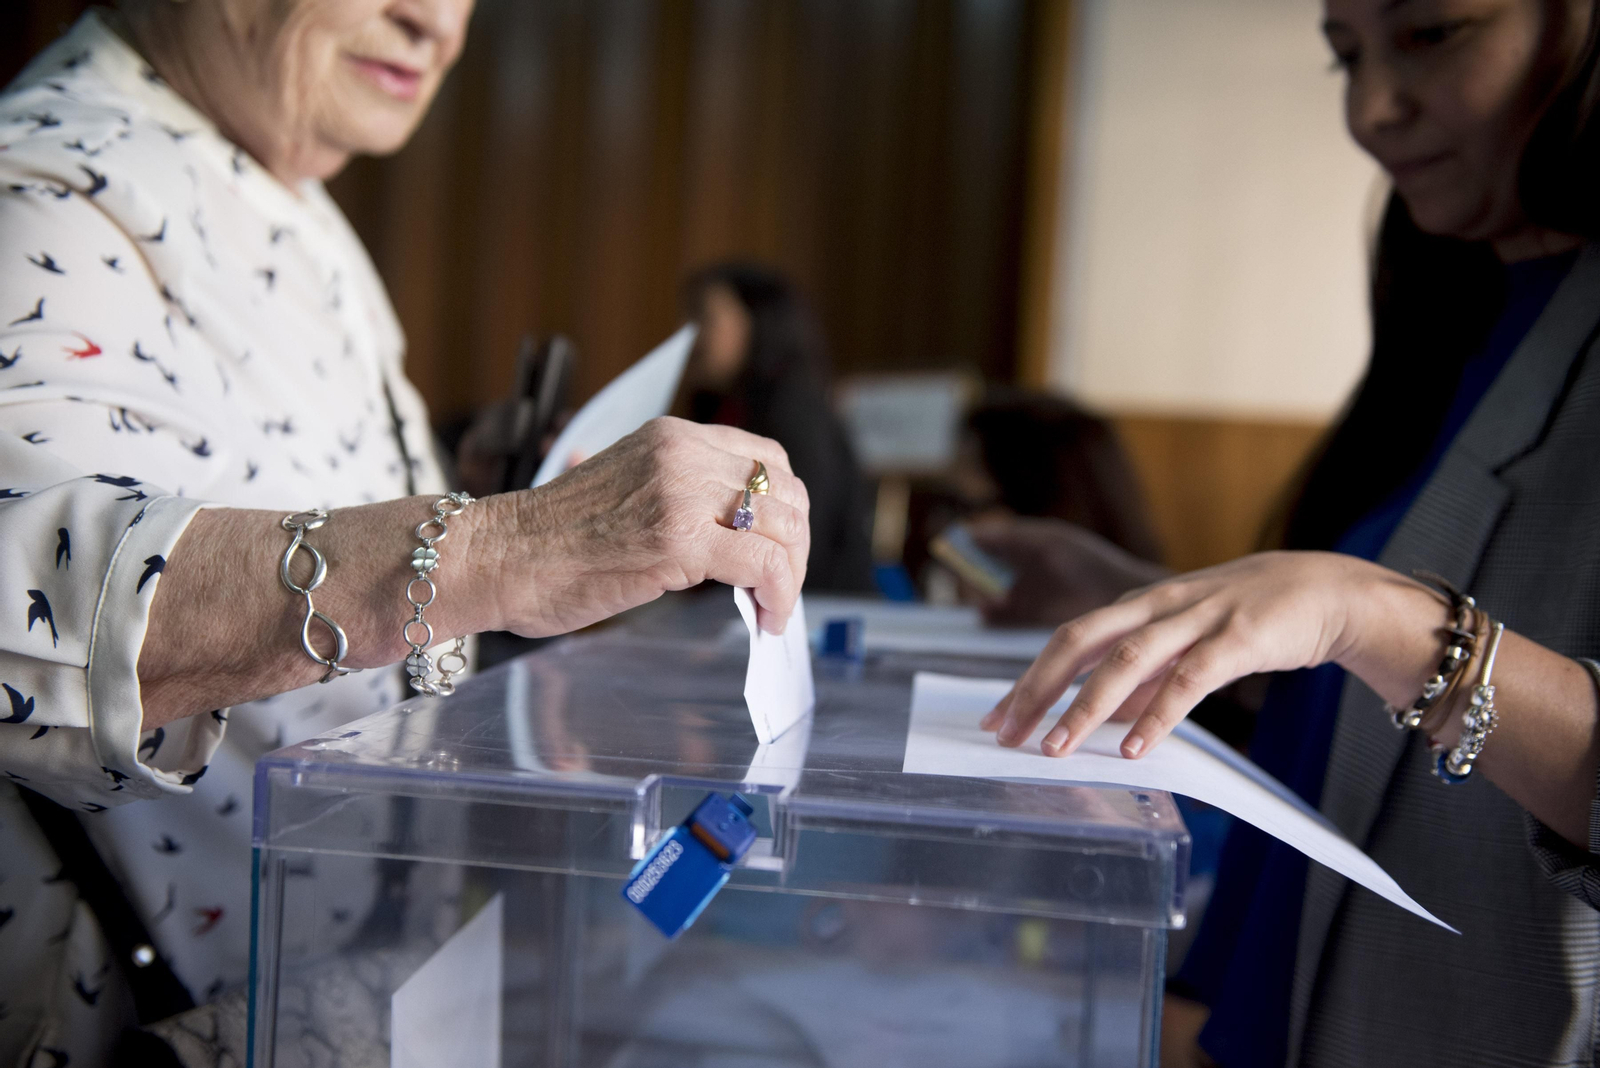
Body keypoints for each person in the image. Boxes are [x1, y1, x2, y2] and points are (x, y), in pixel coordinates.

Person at [0, 4, 809, 1065]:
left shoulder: (283, 186)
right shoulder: (42, 190)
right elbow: (28, 605)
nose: (432, 21)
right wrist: (506, 548)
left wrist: (485, 514)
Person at [975, 0, 1600, 1065]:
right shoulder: (1468, 300)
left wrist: (1377, 618)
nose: (1371, 109)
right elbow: (1375, 698)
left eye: (1431, 34)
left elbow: (1394, 638)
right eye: (1343, 57)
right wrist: (1168, 612)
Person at [681, 263, 876, 593]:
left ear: (757, 322)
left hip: (812, 602)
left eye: (705, 317)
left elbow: (801, 532)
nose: (689, 333)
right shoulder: (723, 404)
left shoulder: (794, 407)